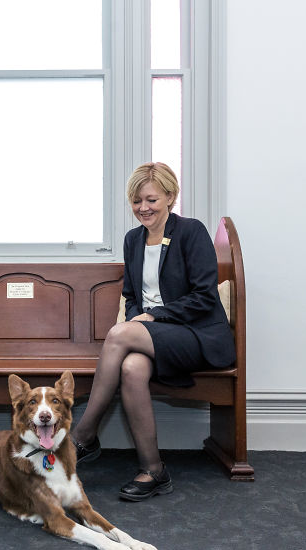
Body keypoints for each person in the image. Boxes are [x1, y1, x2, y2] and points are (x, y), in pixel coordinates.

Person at [70, 162, 236, 501]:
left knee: (118, 333)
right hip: (153, 335)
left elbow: (204, 297)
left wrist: (152, 318)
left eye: (151, 200)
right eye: (136, 201)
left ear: (171, 197)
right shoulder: (133, 240)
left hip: (197, 334)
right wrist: (139, 319)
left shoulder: (191, 232)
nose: (143, 208)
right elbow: (131, 297)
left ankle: (83, 436)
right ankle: (154, 470)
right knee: (131, 368)